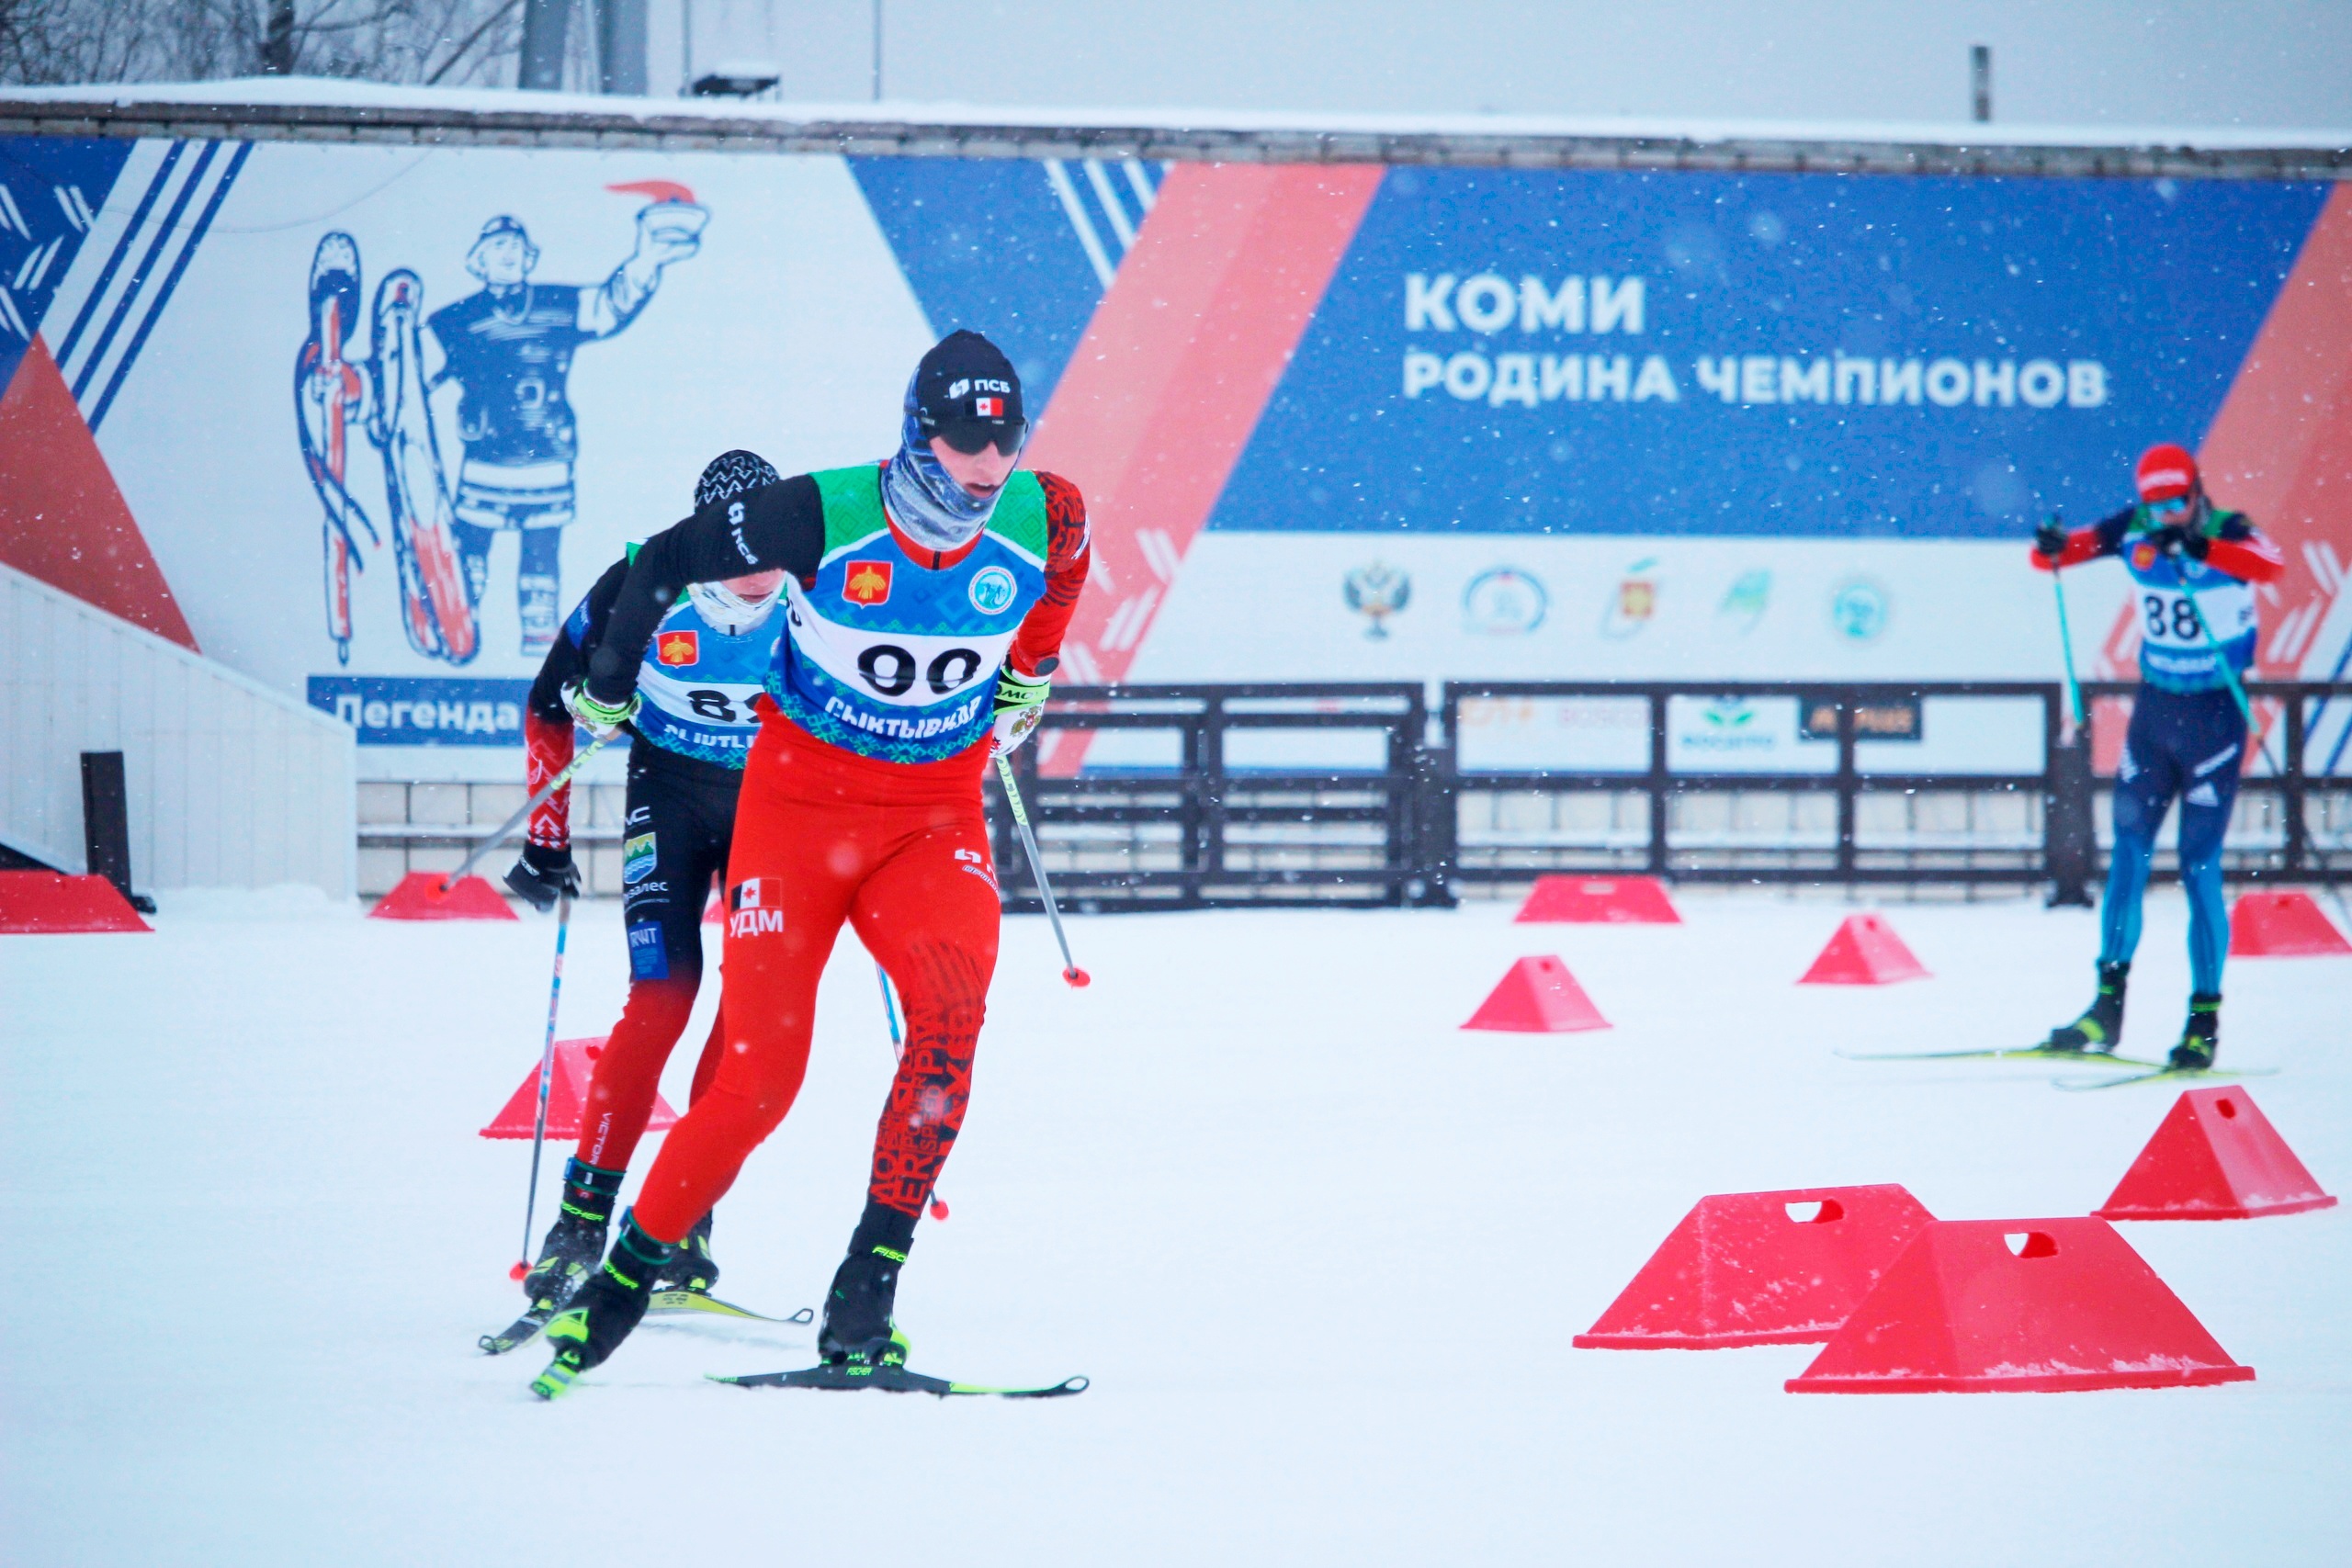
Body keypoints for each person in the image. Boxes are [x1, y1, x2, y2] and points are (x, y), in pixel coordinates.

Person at [530, 331, 1090, 1399]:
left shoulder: (1047, 512)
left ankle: (865, 1293)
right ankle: (620, 1285)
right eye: (966, 441)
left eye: (1005, 440)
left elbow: (1062, 581)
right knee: (756, 1083)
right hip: (792, 814)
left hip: (932, 815)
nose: (988, 464)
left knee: (951, 1016)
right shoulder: (816, 510)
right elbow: (655, 563)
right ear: (917, 437)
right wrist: (607, 674)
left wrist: (1030, 674)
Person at [503, 449, 787, 1322]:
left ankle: (679, 1220)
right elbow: (550, 704)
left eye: (769, 545)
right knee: (663, 999)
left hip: (776, 814)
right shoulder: (640, 582)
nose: (756, 568)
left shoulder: (820, 586)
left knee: (752, 1016)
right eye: (733, 549)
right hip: (667, 798)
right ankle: (578, 1227)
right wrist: (547, 844)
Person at [2032, 443, 2283, 1068]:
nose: (2166, 515)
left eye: (2177, 502)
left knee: (2199, 867)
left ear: (2197, 492)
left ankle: (2203, 1022)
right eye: (2155, 505)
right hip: (2155, 719)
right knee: (2127, 859)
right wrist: (2051, 544)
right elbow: (2055, 557)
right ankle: (2105, 1009)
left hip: (2215, 723)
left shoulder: (2229, 530)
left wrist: (2201, 550)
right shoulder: (2135, 528)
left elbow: (2269, 567)